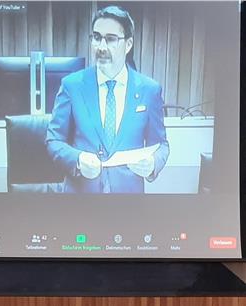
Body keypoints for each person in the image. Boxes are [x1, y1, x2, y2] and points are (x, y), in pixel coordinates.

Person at [46, 5, 169, 193]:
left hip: (127, 203)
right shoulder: (72, 85)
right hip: (81, 201)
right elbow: (53, 140)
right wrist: (77, 159)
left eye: (111, 39)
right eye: (96, 38)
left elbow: (161, 145)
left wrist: (153, 163)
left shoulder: (149, 90)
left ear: (128, 44)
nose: (101, 47)